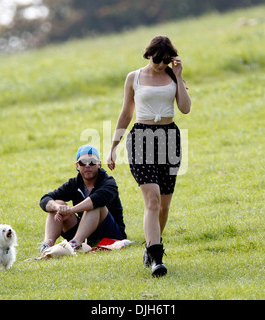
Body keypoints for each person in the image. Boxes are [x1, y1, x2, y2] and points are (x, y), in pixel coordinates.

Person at [107, 35, 191, 277]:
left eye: (166, 60)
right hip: (141, 138)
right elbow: (125, 114)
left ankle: (151, 244)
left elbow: (185, 108)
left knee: (164, 205)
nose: (160, 64)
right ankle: (156, 258)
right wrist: (113, 145)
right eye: (157, 60)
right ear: (148, 55)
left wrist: (179, 75)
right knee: (152, 200)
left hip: (169, 138)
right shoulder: (134, 78)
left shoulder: (171, 76)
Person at [39, 145, 127, 253]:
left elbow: (97, 199)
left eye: (92, 161)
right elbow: (45, 199)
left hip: (111, 234)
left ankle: (75, 244)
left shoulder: (109, 182)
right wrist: (59, 208)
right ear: (77, 165)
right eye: (83, 162)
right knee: (56, 203)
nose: (87, 165)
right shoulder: (74, 184)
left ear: (99, 164)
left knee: (96, 206)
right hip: (87, 235)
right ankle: (47, 245)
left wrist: (70, 210)